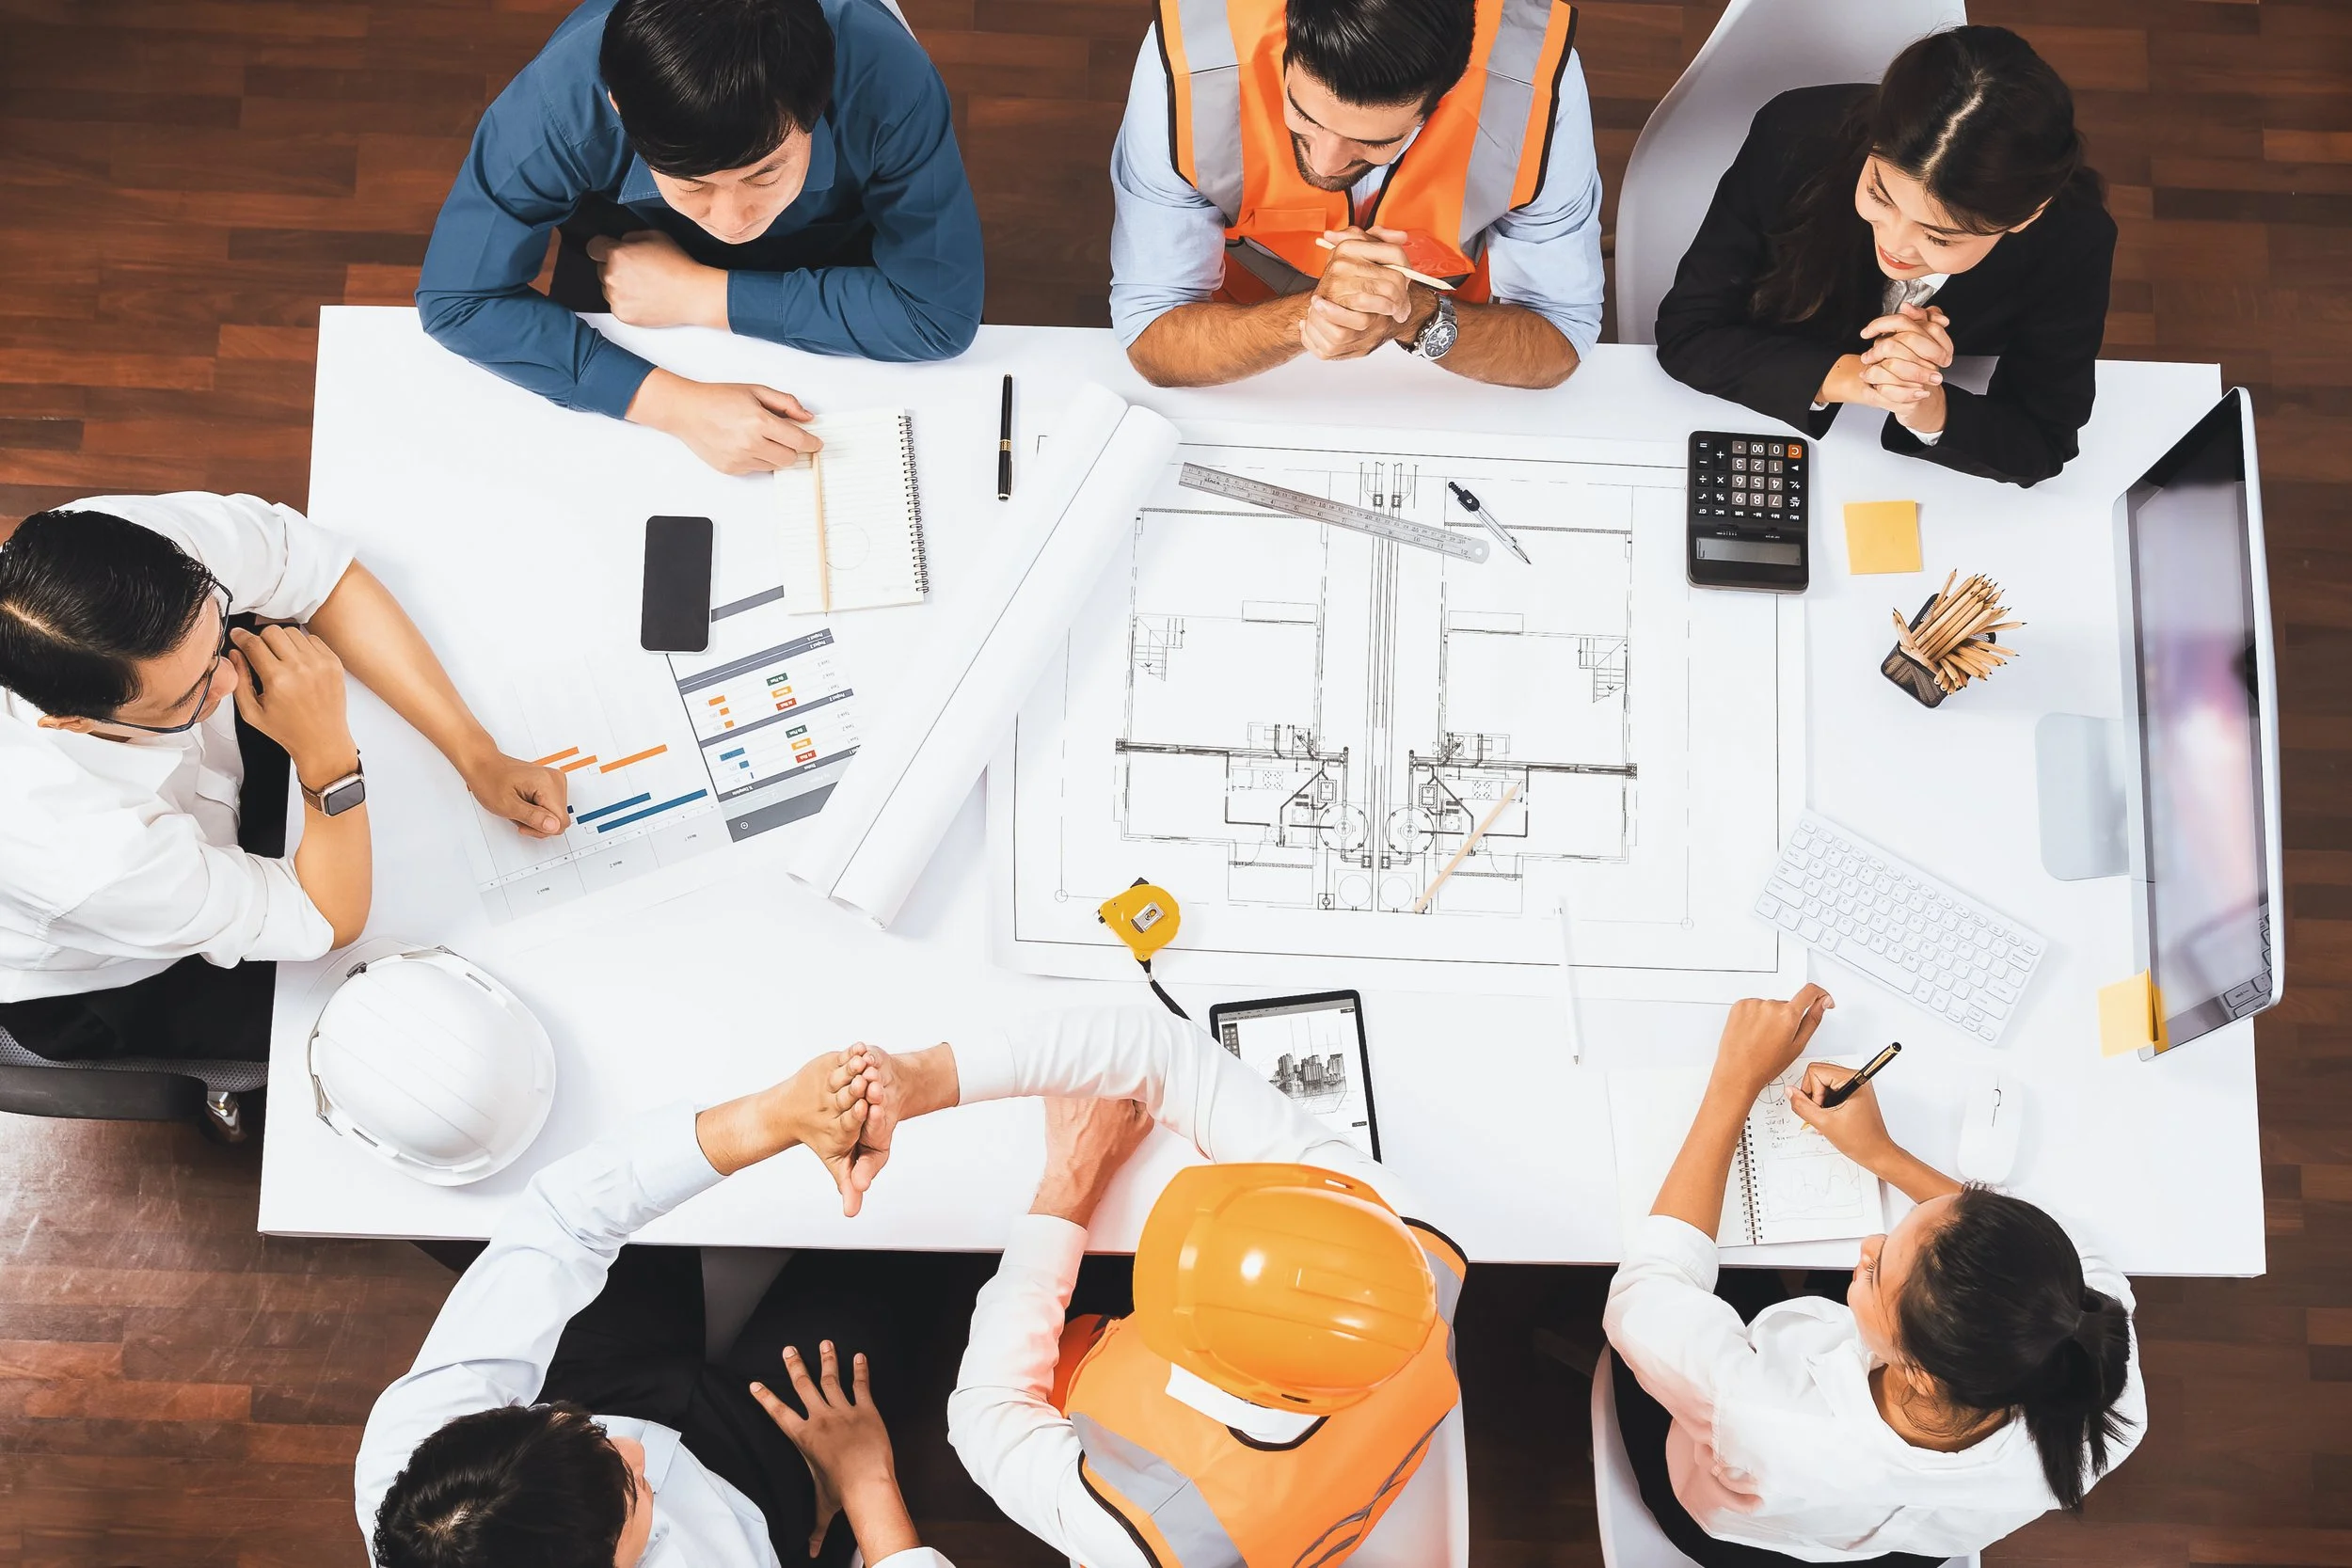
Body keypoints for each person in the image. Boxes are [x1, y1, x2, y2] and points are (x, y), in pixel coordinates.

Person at [0, 495, 564, 1137]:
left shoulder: (119, 565)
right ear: (72, 721)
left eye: (218, 638)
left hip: (220, 797)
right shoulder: (84, 856)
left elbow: (323, 575)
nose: (230, 683)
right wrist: (326, 754)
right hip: (119, 973)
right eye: (190, 696)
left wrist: (475, 752)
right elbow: (327, 917)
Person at [841, 1007, 1466, 1567]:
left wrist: (1071, 1182)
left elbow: (983, 1411)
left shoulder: (1144, 1530)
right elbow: (1161, 1047)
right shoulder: (1408, 1234)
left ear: (1206, 1376)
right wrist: (921, 1078)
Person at [1604, 984, 2145, 1565]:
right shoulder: (2094, 1372)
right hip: (1906, 1550)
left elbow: (1646, 1292)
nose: (1867, 1244)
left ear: (1917, 1371)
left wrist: (1734, 1083)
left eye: (1877, 1269)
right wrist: (1882, 1153)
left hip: (1737, 1533)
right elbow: (2078, 1252)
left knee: (1665, 1261)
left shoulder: (1762, 1411)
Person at [358, 1049, 955, 1568]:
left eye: (586, 1435)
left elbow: (567, 1221)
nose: (636, 1448)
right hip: (770, 1483)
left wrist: (775, 1115)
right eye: (631, 1486)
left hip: (598, 1380)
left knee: (582, 1167)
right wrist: (864, 1479)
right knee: (912, 1225)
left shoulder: (417, 1472)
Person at [416, 0, 984, 476]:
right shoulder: (556, 107)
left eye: (765, 173)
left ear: (817, 101)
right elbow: (460, 301)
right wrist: (674, 405)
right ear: (618, 106)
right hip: (626, 267)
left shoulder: (888, 79)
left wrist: (699, 293)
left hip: (830, 257)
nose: (733, 221)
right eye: (692, 185)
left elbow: (936, 315)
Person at [1654, 26, 2114, 487]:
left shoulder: (2074, 242)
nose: (1894, 245)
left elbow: (2042, 441)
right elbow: (1688, 333)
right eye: (1880, 195)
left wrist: (1924, 405)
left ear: (2026, 216)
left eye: (1939, 238)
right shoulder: (1794, 132)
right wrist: (1861, 379)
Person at [1110, 0, 1603, 388]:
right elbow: (1152, 334)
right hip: (1239, 349)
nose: (1326, 163)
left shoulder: (1534, 85)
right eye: (1304, 116)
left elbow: (1560, 338)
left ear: (1447, 93)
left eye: (1374, 140)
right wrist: (1315, 317)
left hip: (1456, 360)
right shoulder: (1191, 58)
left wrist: (1414, 316)